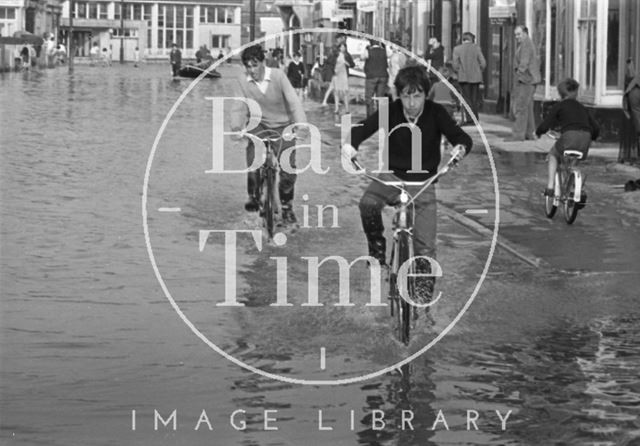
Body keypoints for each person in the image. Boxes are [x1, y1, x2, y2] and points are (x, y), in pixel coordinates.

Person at [341, 65, 472, 301]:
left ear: (426, 94)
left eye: (417, 95)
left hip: (424, 183)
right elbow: (362, 128)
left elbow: (460, 136)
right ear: (399, 95)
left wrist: (460, 149)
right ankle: (378, 254)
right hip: (391, 177)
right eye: (406, 96)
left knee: (426, 249)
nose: (412, 103)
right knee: (367, 204)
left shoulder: (437, 113)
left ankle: (422, 301)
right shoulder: (389, 111)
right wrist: (350, 146)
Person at [232, 44, 307, 225]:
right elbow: (238, 106)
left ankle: (287, 205)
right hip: (257, 125)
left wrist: (301, 125)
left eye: (255, 65)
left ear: (263, 62)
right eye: (248, 66)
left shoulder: (279, 76)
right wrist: (237, 128)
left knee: (288, 169)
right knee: (253, 161)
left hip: (282, 125)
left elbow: (293, 101)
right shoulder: (242, 80)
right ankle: (253, 195)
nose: (252, 70)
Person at [535, 78, 599, 198]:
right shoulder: (582, 107)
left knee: (553, 154)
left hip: (569, 137)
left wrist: (539, 132)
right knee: (574, 162)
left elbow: (546, 124)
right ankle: (575, 187)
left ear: (560, 93)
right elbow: (595, 127)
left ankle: (550, 187)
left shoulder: (559, 106)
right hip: (586, 138)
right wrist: (593, 138)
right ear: (576, 92)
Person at [507, 26, 541, 141]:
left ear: (525, 33)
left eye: (519, 34)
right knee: (528, 107)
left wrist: (518, 75)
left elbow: (524, 62)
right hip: (530, 79)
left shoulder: (526, 44)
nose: (517, 37)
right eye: (516, 34)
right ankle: (529, 133)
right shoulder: (526, 43)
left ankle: (518, 135)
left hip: (526, 79)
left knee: (521, 107)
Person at [452, 32, 486, 125]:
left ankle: (470, 119)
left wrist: (458, 71)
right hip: (476, 77)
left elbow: (455, 65)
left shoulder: (457, 49)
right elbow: (483, 63)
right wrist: (479, 70)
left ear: (463, 40)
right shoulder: (476, 48)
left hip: (463, 77)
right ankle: (475, 118)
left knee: (466, 98)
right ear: (472, 39)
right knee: (474, 98)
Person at [326, 42, 354, 114]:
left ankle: (347, 109)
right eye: (341, 47)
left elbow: (352, 64)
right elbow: (329, 62)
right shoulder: (335, 55)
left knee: (345, 92)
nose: (343, 48)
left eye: (344, 47)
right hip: (336, 75)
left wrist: (346, 63)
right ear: (339, 48)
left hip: (344, 75)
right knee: (336, 92)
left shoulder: (347, 55)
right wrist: (333, 70)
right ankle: (336, 108)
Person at [363, 39, 389, 116]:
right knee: (380, 97)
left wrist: (366, 48)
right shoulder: (384, 51)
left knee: (369, 98)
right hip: (383, 76)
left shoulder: (368, 51)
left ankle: (371, 117)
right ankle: (381, 117)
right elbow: (389, 55)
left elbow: (362, 57)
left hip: (371, 76)